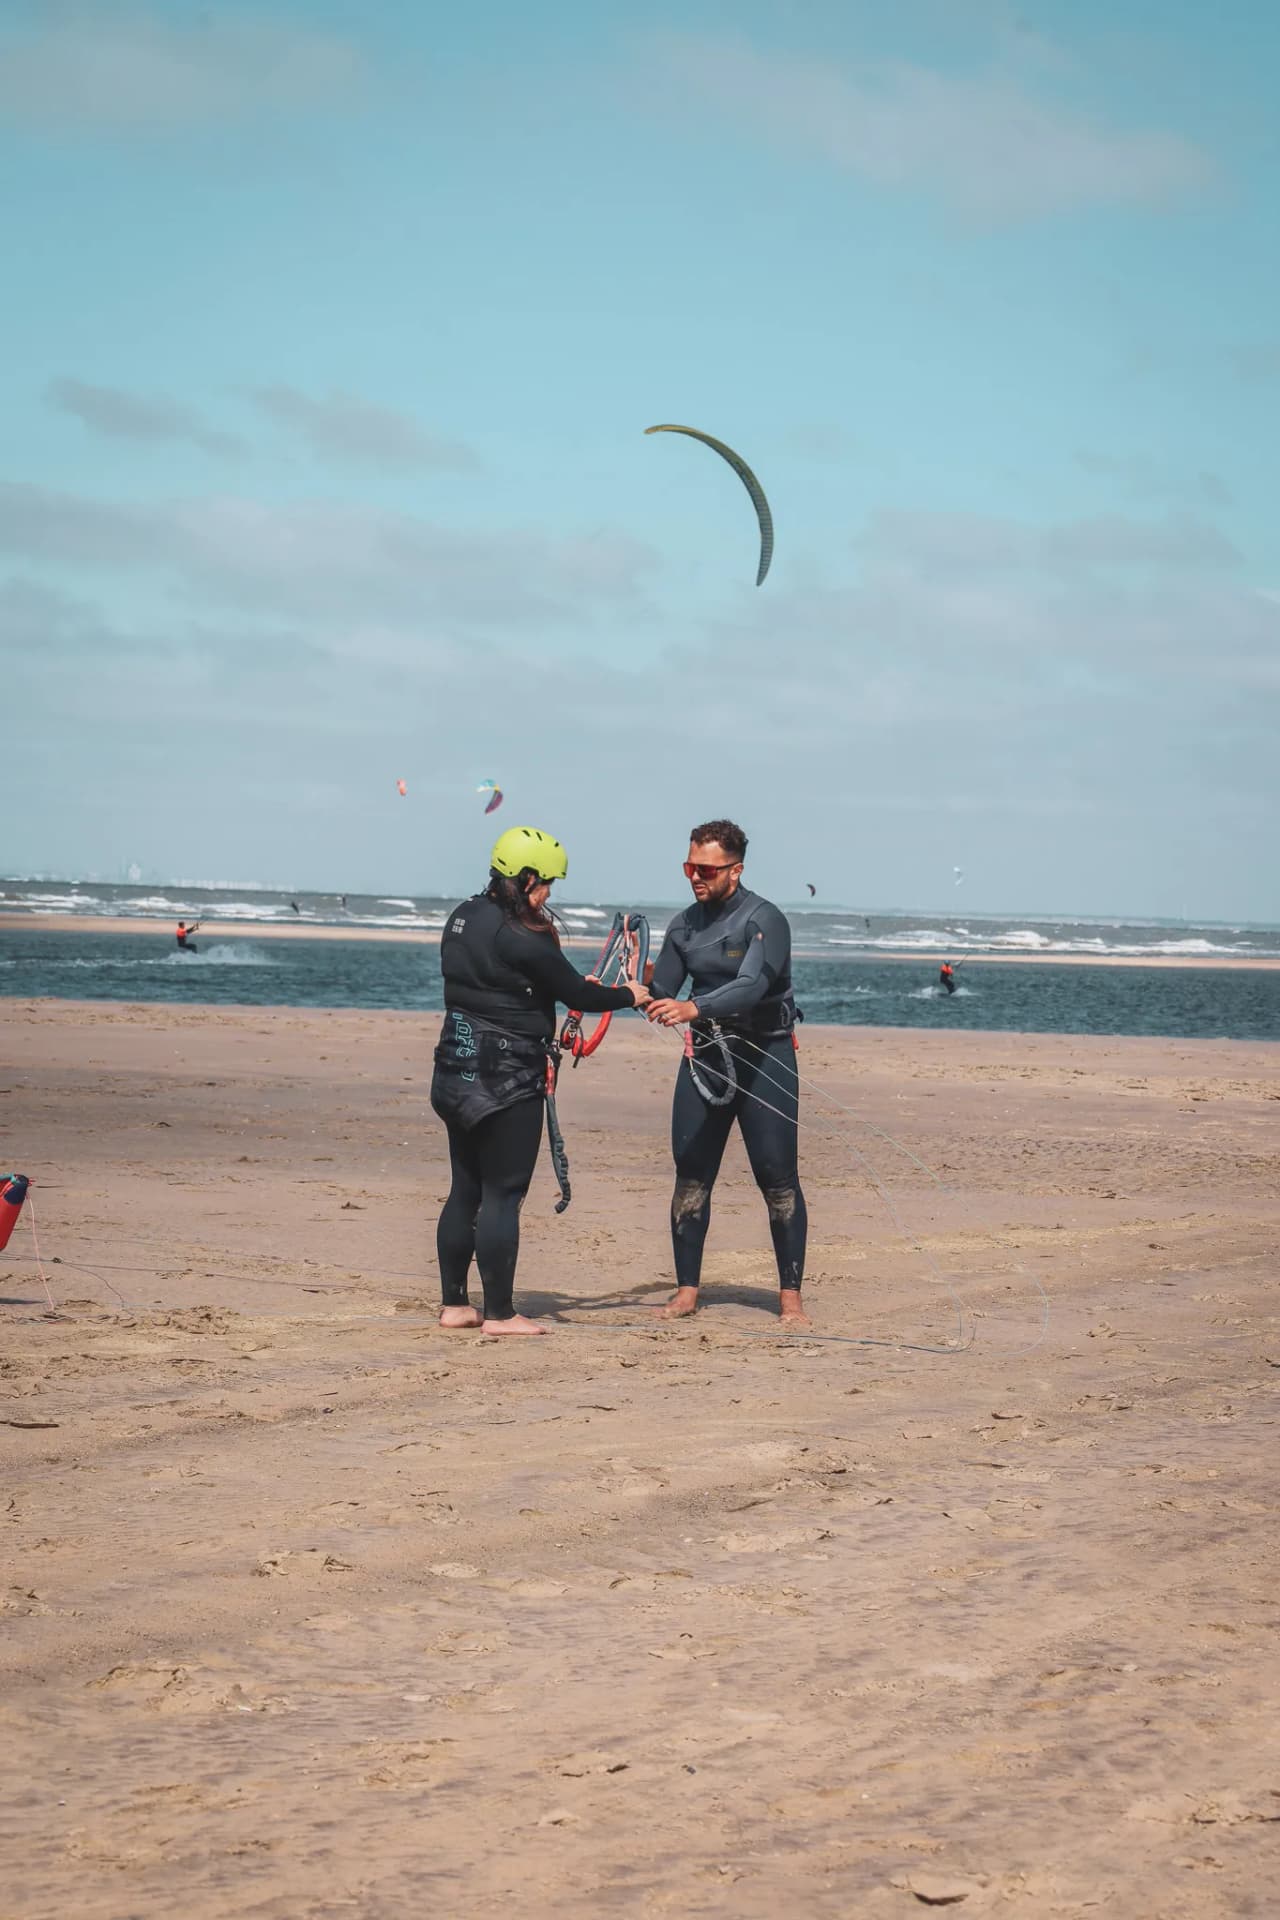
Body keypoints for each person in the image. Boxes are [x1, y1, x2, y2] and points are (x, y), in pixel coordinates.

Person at [431, 825, 649, 1337]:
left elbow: (523, 982)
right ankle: (502, 1314)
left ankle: (456, 1305)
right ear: (526, 876)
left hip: (454, 1068)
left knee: (465, 1189)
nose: (548, 893)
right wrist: (630, 994)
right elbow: (577, 991)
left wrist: (563, 986)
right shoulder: (521, 934)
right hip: (505, 1080)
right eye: (546, 882)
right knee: (504, 1194)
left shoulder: (462, 916)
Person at [646, 819, 809, 1325]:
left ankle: (790, 1298)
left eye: (707, 869)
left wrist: (694, 1009)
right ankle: (687, 1291)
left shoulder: (765, 921)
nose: (696, 876)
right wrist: (622, 986)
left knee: (777, 1180)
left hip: (767, 1058)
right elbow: (661, 992)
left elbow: (751, 985)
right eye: (689, 865)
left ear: (734, 871)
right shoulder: (683, 926)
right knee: (691, 1177)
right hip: (706, 1062)